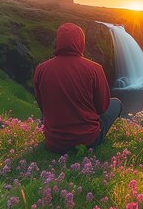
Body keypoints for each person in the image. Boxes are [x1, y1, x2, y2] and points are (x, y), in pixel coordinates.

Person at [33, 22, 122, 154]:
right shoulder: (94, 69)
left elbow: (42, 106)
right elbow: (102, 107)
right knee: (116, 103)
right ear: (81, 42)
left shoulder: (41, 69)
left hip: (54, 142)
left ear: (58, 41)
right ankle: (110, 136)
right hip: (88, 139)